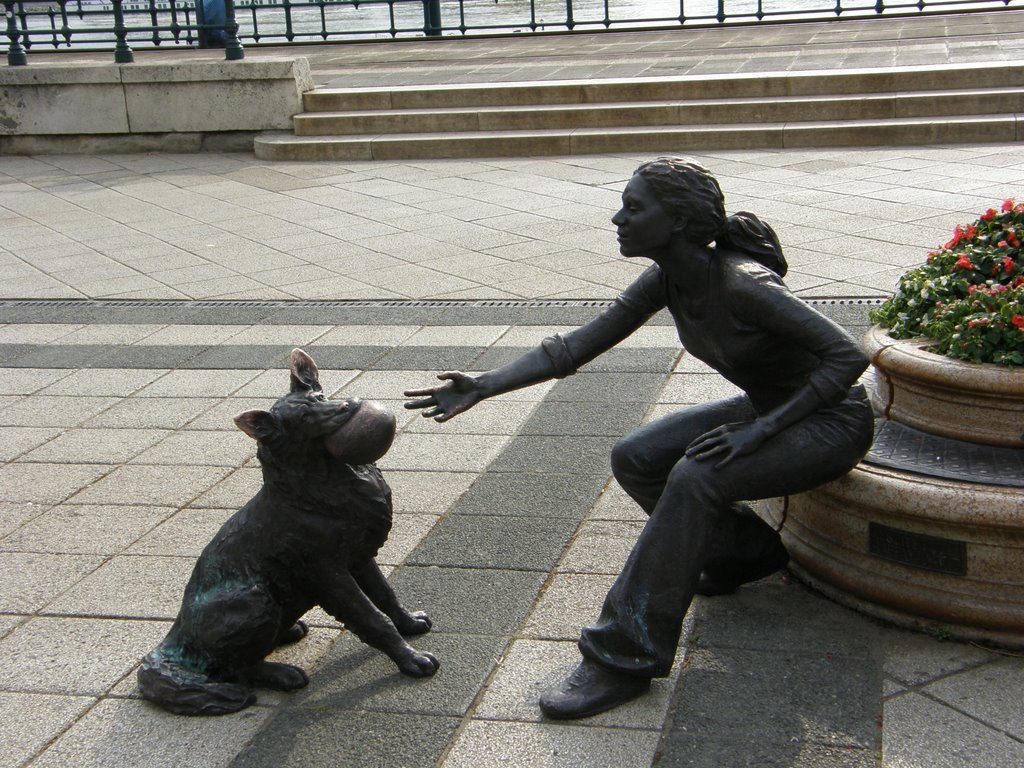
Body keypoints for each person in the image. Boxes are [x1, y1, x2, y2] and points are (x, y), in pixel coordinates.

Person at [404, 157, 875, 720]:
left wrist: (761, 430)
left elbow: (848, 355)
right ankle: (742, 553)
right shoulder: (669, 276)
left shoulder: (742, 283)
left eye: (633, 207)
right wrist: (486, 383)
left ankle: (623, 654)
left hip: (829, 420)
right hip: (772, 408)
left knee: (696, 475)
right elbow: (576, 346)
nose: (617, 218)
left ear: (676, 221)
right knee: (638, 456)